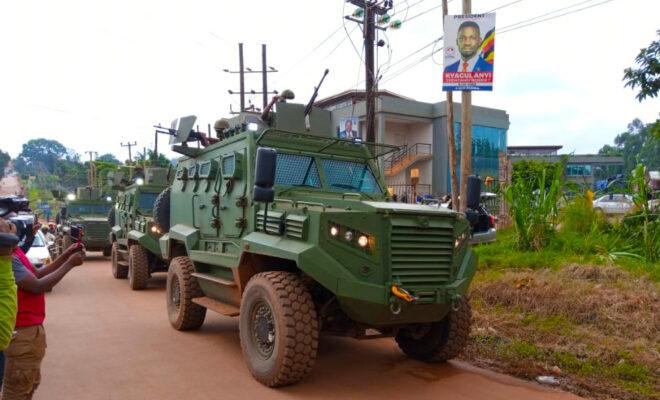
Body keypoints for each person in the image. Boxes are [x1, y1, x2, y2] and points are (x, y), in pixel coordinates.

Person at [2, 228, 84, 400]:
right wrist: (69, 264)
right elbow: (38, 286)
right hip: (21, 332)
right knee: (17, 389)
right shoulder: (8, 259)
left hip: (29, 332)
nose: (12, 227)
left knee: (28, 384)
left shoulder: (15, 253)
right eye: (6, 225)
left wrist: (66, 255)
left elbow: (38, 274)